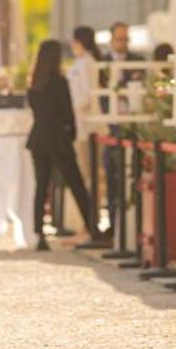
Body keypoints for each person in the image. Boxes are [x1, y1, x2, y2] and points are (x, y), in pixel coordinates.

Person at [25, 39, 99, 252]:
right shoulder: (59, 82)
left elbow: (36, 111)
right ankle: (92, 226)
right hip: (58, 139)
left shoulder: (34, 84)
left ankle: (39, 233)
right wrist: (72, 133)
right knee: (76, 184)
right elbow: (67, 113)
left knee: (41, 186)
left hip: (39, 138)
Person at [65, 26, 104, 239]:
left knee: (89, 177)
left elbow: (87, 96)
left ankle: (89, 226)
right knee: (86, 176)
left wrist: (70, 107)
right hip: (81, 126)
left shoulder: (87, 64)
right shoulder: (81, 63)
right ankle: (86, 225)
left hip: (87, 127)